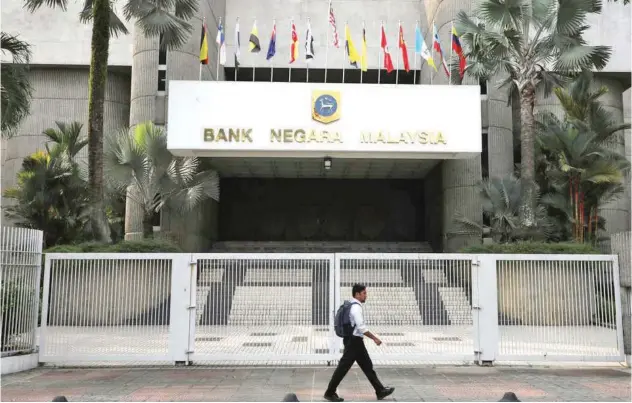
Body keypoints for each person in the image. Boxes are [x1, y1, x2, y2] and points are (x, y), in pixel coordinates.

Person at [324, 284, 394, 402]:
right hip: (354, 342)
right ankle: (330, 392)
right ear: (357, 294)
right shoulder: (356, 307)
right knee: (343, 368)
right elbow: (361, 327)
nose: (366, 295)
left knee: (367, 366)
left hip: (354, 341)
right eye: (364, 293)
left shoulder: (353, 305)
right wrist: (375, 338)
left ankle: (380, 390)